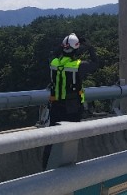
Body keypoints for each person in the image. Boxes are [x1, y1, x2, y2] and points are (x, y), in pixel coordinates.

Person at [42, 32, 98, 168]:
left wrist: (62, 45)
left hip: (55, 106)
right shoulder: (79, 66)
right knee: (70, 140)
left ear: (63, 48)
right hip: (73, 108)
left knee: (53, 138)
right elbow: (96, 63)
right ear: (76, 49)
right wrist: (90, 47)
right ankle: (67, 173)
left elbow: (53, 55)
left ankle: (46, 167)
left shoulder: (54, 63)